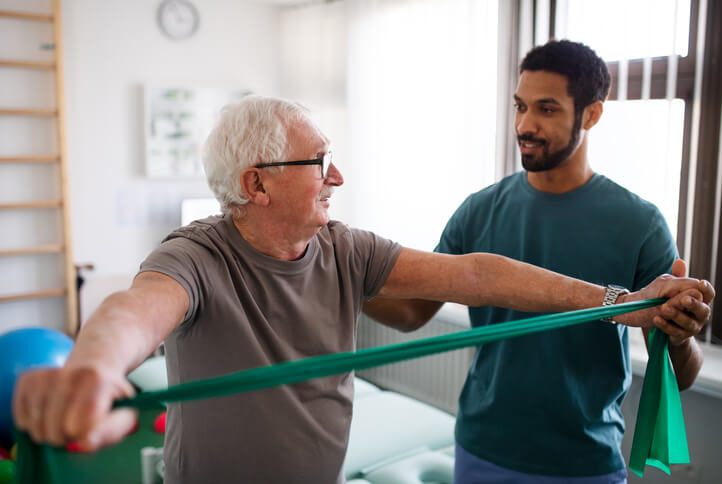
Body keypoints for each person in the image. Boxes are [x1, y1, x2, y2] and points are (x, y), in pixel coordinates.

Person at [13, 95, 710, 484]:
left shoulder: (343, 247)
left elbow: (474, 273)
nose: (337, 177)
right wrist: (94, 368)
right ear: (257, 183)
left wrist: (620, 304)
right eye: (319, 163)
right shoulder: (196, 255)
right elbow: (136, 310)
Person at [363, 40, 714, 484]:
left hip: (584, 462)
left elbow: (677, 376)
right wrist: (344, 276)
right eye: (519, 106)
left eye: (546, 109)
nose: (524, 124)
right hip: (481, 449)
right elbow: (412, 312)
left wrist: (681, 336)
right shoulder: (479, 209)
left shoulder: (640, 223)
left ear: (591, 114)